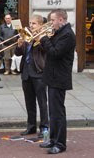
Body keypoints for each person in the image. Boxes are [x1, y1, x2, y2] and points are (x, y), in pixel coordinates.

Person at [38, 9, 76, 154]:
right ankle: (53, 140)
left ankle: (60, 144)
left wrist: (44, 39)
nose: (51, 23)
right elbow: (49, 50)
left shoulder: (68, 35)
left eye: (53, 20)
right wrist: (42, 40)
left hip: (59, 78)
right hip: (53, 76)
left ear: (61, 19)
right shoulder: (59, 32)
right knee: (52, 112)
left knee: (58, 113)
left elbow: (55, 52)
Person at [15, 15, 49, 138]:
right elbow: (18, 53)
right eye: (30, 23)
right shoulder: (27, 37)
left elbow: (45, 50)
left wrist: (37, 38)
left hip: (39, 73)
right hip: (26, 73)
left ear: (40, 25)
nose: (31, 25)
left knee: (42, 102)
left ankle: (44, 127)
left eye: (34, 23)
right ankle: (31, 126)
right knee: (29, 102)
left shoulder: (45, 37)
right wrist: (19, 44)